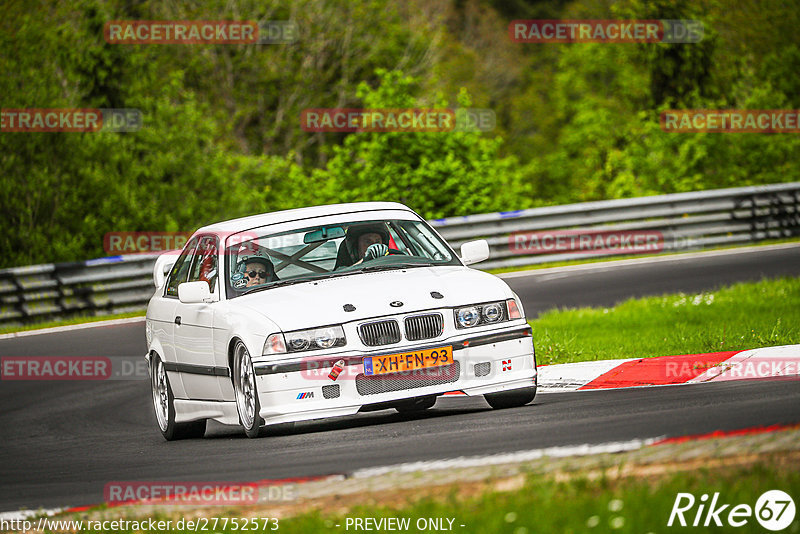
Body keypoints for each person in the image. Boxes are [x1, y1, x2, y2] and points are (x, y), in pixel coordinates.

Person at [334, 223, 400, 269]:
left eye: (377, 241)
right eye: (367, 242)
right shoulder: (342, 271)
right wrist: (366, 259)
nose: (374, 245)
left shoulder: (395, 265)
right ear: (356, 247)